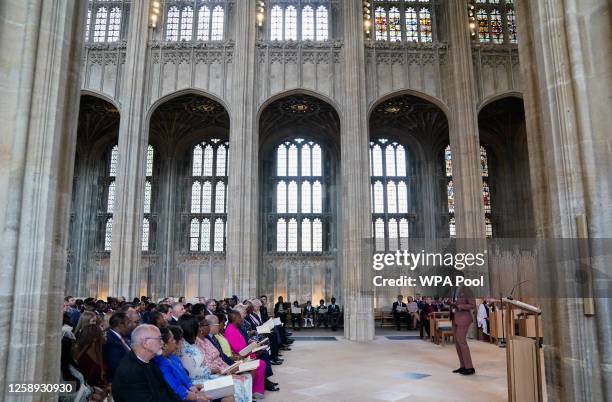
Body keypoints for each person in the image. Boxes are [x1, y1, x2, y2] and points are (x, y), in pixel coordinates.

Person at [177, 315, 242, 401]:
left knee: (233, 383)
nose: (199, 329)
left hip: (205, 376)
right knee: (232, 386)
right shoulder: (184, 347)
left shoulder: (190, 344)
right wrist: (211, 371)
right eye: (197, 327)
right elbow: (193, 373)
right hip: (197, 381)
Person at [112, 324, 183, 401]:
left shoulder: (150, 360)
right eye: (159, 339)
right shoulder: (129, 373)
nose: (162, 343)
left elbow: (167, 391)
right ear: (145, 343)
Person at [195, 316, 253, 402]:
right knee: (239, 382)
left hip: (224, 367)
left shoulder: (207, 340)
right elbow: (206, 364)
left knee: (246, 376)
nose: (209, 327)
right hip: (217, 371)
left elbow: (220, 355)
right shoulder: (197, 343)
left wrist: (231, 366)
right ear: (200, 328)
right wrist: (223, 371)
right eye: (207, 325)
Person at [224, 311, 275, 397]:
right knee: (260, 363)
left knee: (262, 358)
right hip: (240, 358)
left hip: (246, 353)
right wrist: (254, 352)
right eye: (240, 318)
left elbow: (243, 345)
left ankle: (257, 390)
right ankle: (254, 391)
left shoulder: (235, 328)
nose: (242, 320)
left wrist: (254, 347)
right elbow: (239, 351)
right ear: (235, 318)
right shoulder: (230, 330)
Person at [152, 326, 204, 401]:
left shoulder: (172, 357)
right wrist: (197, 397)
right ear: (163, 345)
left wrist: (194, 387)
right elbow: (175, 389)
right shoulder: (160, 365)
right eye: (172, 340)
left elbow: (185, 381)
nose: (175, 342)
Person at [73, 323, 110, 400]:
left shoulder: (100, 352)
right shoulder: (84, 359)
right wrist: (92, 391)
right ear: (95, 339)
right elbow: (79, 384)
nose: (105, 336)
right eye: (102, 334)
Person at [451, 285, 476, 375]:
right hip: (454, 318)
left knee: (461, 341)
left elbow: (473, 305)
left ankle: (470, 367)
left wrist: (460, 305)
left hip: (464, 318)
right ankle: (463, 366)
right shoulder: (453, 289)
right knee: (457, 342)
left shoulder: (466, 289)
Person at [103, 312, 132, 382]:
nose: (130, 326)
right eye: (128, 323)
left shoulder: (122, 337)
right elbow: (116, 367)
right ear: (120, 325)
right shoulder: (111, 342)